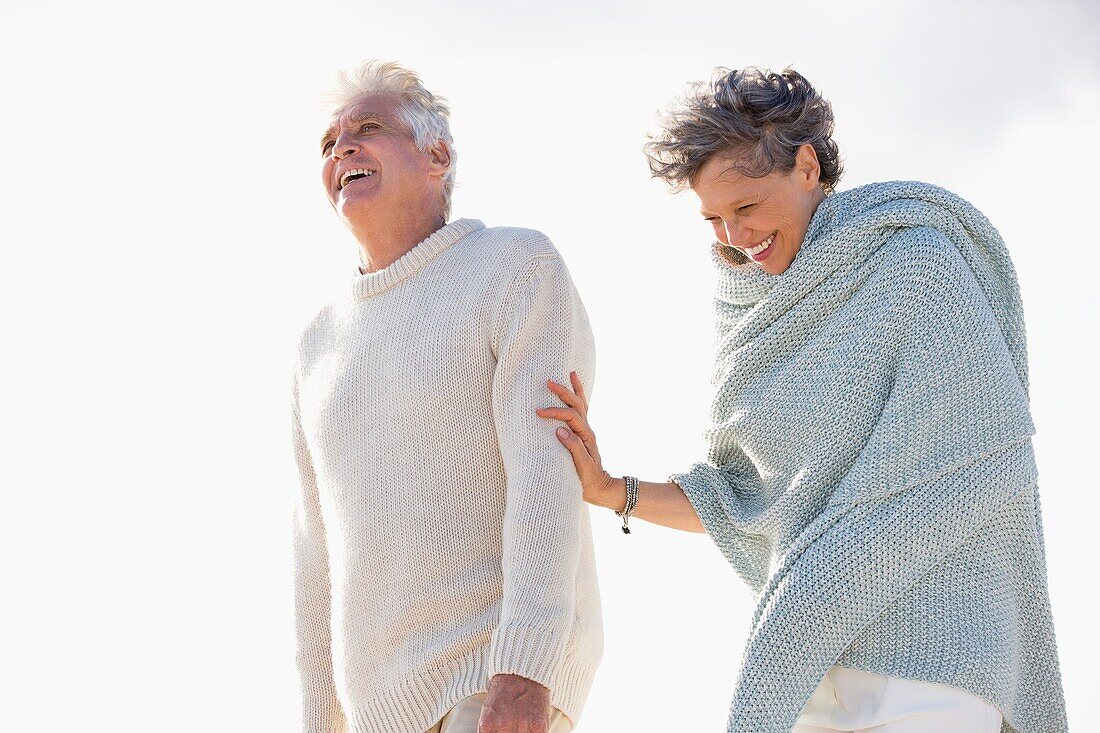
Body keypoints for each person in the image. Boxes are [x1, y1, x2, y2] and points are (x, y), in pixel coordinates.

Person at [537, 66, 1067, 733]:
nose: (734, 237)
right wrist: (611, 488)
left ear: (808, 166)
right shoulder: (751, 308)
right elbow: (750, 498)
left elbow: (981, 458)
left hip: (943, 664)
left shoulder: (920, 267)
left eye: (747, 207)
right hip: (821, 670)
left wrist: (822, 580)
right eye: (714, 218)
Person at [290, 60, 602, 733]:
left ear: (437, 156)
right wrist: (320, 718)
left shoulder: (515, 267)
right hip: (377, 709)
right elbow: (315, 549)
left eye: (367, 129)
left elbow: (545, 473)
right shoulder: (316, 345)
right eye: (328, 143)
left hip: (488, 680)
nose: (342, 147)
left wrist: (524, 672)